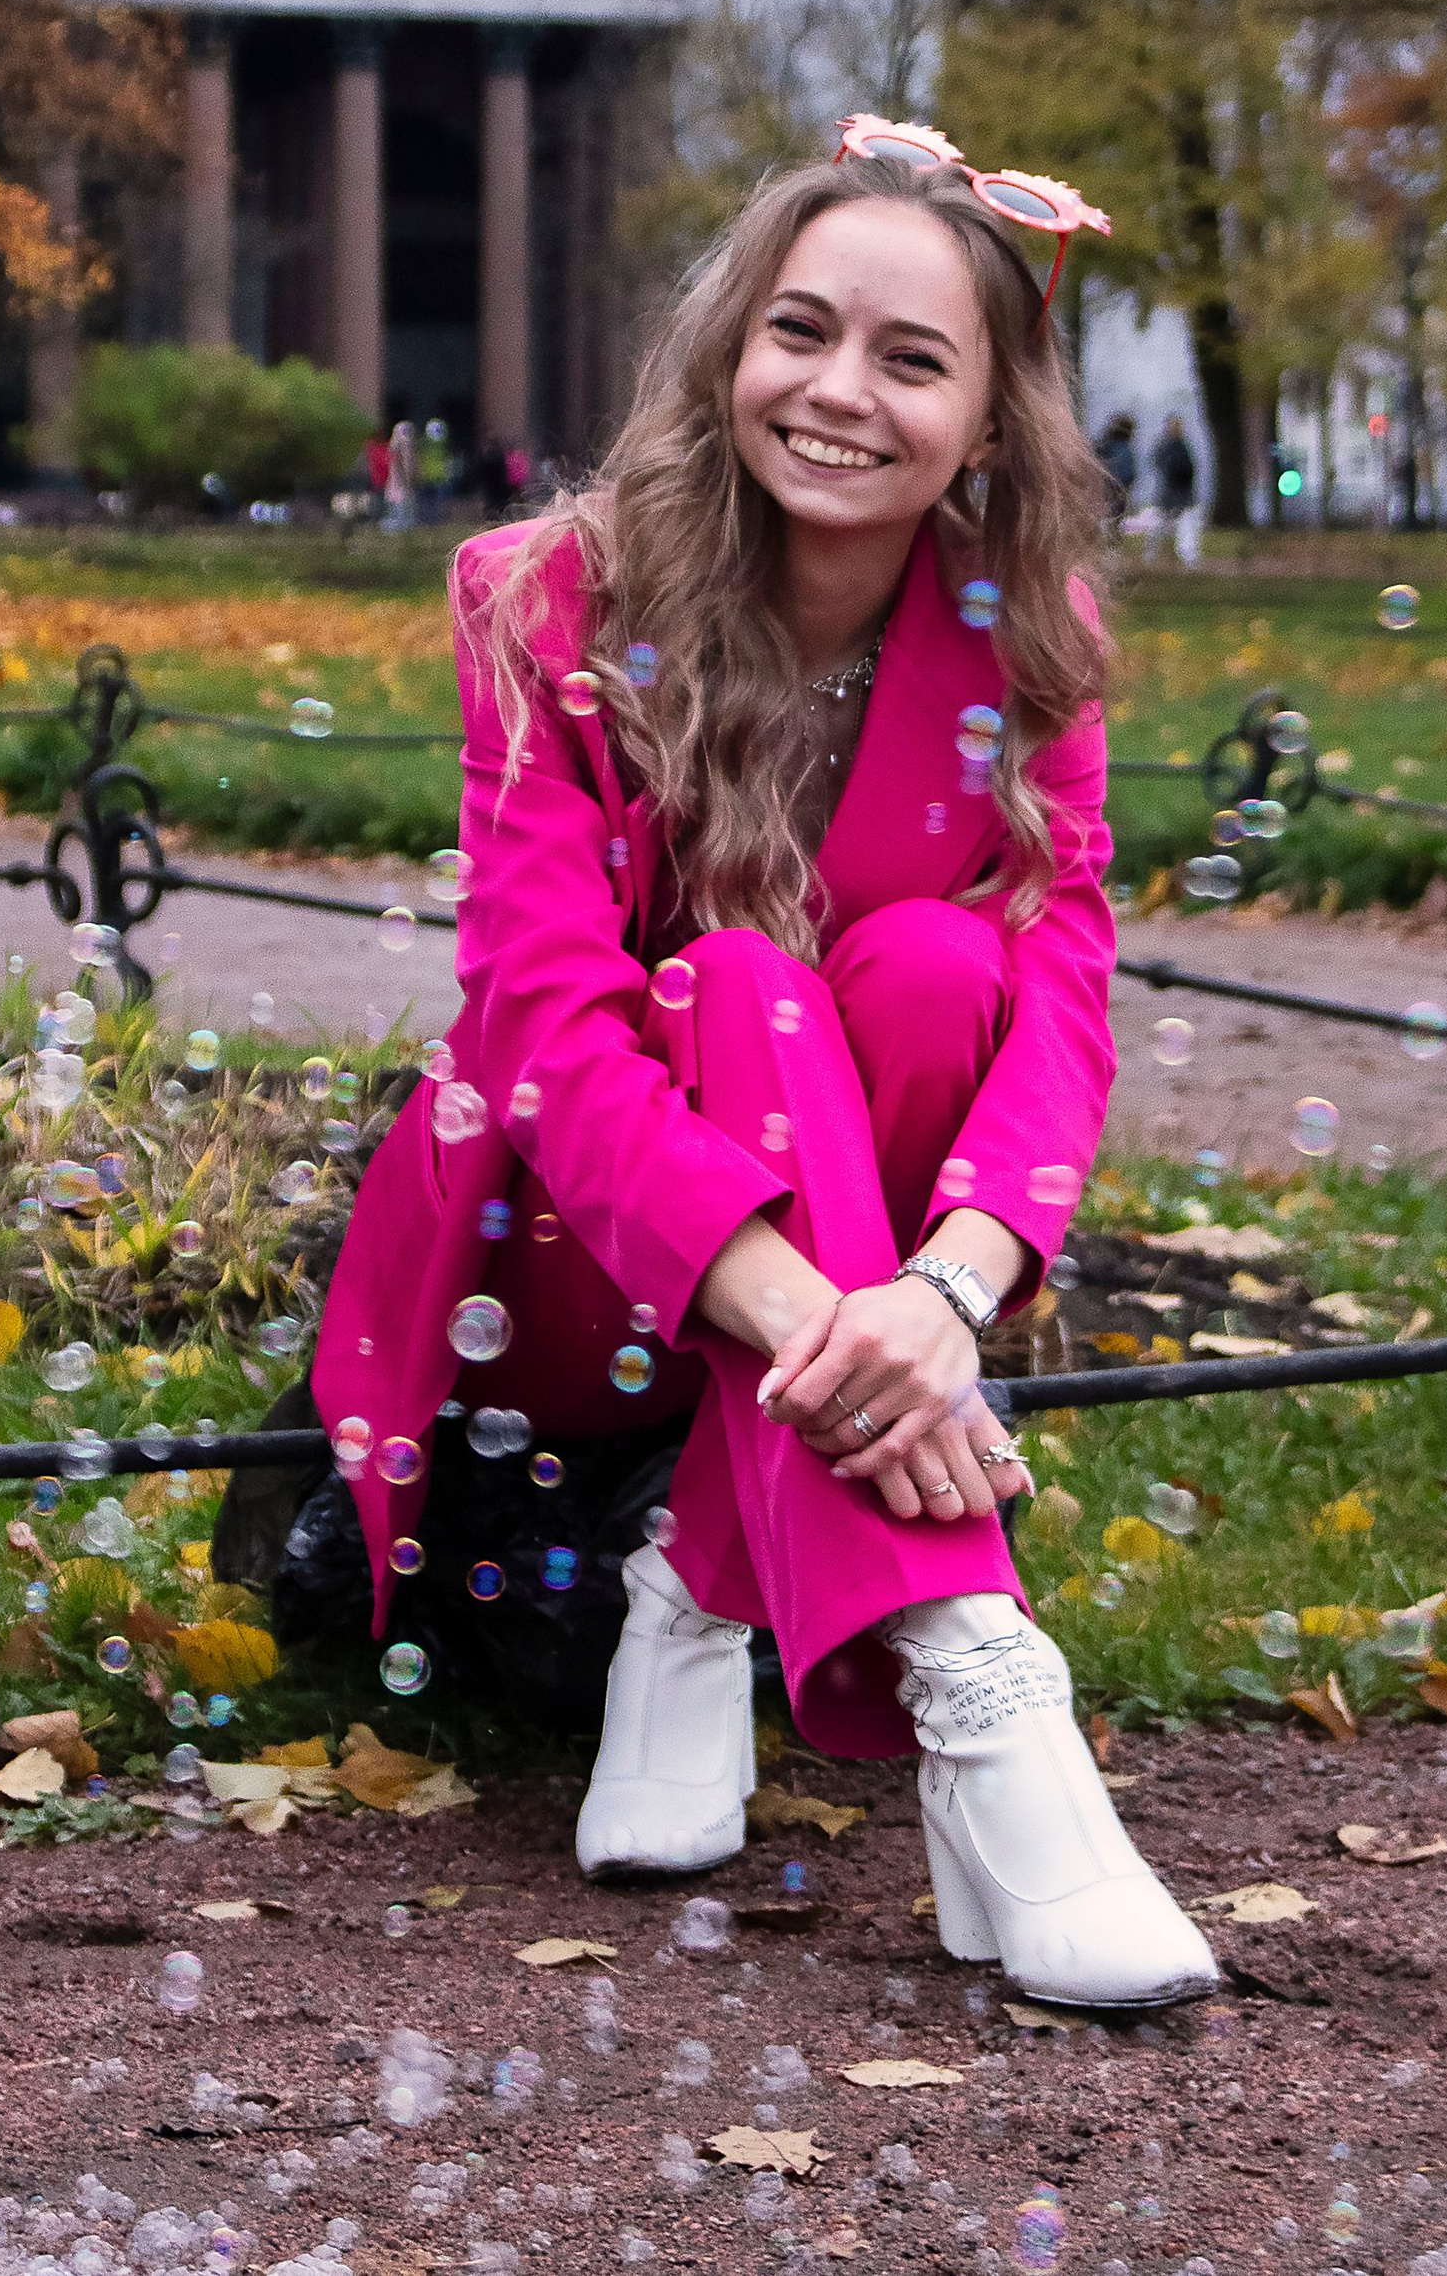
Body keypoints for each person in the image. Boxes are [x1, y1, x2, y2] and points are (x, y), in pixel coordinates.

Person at [314, 119, 1212, 2011]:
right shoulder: (543, 598)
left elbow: (1062, 991)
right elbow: (543, 1023)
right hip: (560, 1258)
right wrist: (839, 1313)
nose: (837, 390)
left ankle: (695, 1595)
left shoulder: (1030, 641)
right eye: (801, 328)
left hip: (844, 1265)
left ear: (991, 417)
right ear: (730, 343)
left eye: (911, 355)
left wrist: (955, 1294)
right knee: (737, 972)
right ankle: (987, 1681)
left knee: (931, 959)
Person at [1146, 413, 1202, 568]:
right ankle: (1151, 555)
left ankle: (1189, 557)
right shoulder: (1168, 446)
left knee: (1184, 526)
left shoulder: (1180, 446)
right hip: (1170, 492)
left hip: (1180, 492)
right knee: (1161, 524)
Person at [1093, 410, 1137, 525]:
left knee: (1111, 518)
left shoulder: (1106, 445)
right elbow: (1127, 472)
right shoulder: (1118, 447)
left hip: (1110, 487)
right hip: (1113, 488)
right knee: (1111, 518)